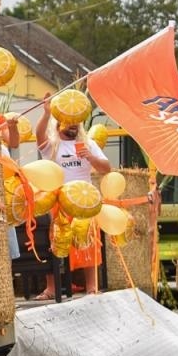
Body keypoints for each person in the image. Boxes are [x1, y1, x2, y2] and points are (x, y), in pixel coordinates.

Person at [37, 96, 112, 295]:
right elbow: (38, 135)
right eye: (69, 122)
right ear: (60, 122)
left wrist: (91, 157)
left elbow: (107, 168)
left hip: (85, 201)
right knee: (55, 240)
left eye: (76, 123)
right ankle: (51, 288)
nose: (73, 126)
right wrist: (46, 113)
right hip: (59, 200)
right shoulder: (53, 145)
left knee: (89, 241)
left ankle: (92, 287)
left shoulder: (88, 144)